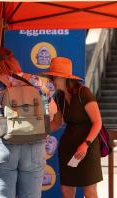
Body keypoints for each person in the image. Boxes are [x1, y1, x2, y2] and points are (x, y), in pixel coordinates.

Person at [0, 47, 60, 198]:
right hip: (34, 145)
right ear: (13, 61)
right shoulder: (35, 81)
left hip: (4, 146)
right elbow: (53, 110)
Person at [40, 57, 102, 198]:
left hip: (87, 148)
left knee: (90, 192)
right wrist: (39, 133)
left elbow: (98, 122)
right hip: (68, 149)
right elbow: (56, 122)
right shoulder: (59, 97)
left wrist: (85, 145)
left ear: (63, 78)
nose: (51, 80)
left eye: (53, 77)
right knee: (66, 191)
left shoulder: (83, 92)